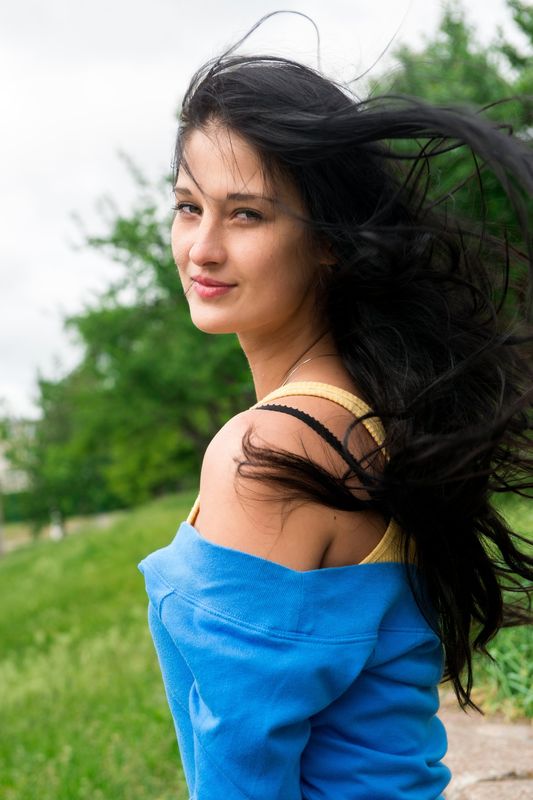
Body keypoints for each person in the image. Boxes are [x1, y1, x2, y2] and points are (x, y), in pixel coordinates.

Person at [138, 25, 533, 800]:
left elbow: (242, 771)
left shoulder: (271, 448)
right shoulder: (371, 410)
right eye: (189, 207)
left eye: (245, 214)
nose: (201, 248)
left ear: (327, 242)